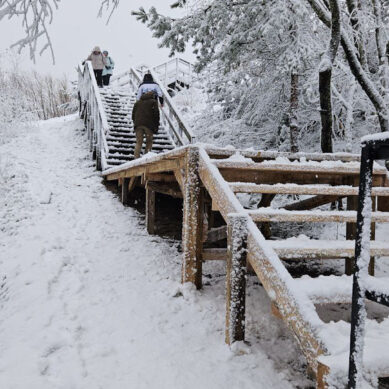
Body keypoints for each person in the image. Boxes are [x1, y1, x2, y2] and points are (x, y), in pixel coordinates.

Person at [132, 91, 160, 159]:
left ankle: (136, 158)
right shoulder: (153, 102)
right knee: (149, 142)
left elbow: (133, 114)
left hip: (138, 125)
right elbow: (156, 114)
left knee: (139, 142)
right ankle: (146, 158)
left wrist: (136, 122)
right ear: (152, 96)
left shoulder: (137, 103)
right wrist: (156, 125)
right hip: (149, 125)